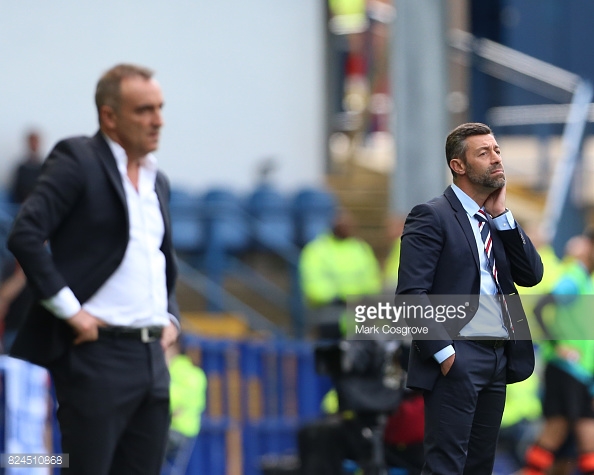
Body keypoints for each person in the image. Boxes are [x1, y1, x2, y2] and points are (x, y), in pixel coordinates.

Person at [7, 63, 180, 475]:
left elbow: (158, 257)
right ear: (109, 116)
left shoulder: (159, 180)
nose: (158, 120)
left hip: (152, 360)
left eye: (160, 107)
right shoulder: (78, 158)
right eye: (143, 110)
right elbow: (26, 234)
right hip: (97, 356)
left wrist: (170, 316)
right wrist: (72, 312)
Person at [396, 122, 543, 474]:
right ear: (458, 165)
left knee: (479, 467)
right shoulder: (431, 216)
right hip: (457, 356)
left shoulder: (494, 219)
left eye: (497, 151)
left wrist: (503, 217)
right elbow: (410, 296)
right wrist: (447, 356)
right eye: (484, 153)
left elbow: (531, 275)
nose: (496, 159)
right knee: (446, 466)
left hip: (497, 356)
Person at [521, 234, 594, 475]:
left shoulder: (586, 280)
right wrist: (556, 343)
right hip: (565, 367)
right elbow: (542, 306)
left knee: (584, 430)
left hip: (581, 372)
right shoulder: (574, 277)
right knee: (559, 426)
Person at [299, 210, 382, 338]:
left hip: (358, 313)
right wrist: (338, 297)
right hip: (327, 313)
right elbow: (313, 285)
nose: (345, 227)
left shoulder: (361, 249)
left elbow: (372, 281)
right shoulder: (316, 250)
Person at [163, 336, 207, 475]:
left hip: (170, 428)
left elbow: (166, 397)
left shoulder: (172, 370)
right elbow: (199, 404)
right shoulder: (197, 374)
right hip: (188, 430)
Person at [9, 129, 44, 204]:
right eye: (32, 141)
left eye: (35, 141)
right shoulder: (22, 167)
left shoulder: (45, 166)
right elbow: (16, 189)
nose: (33, 144)